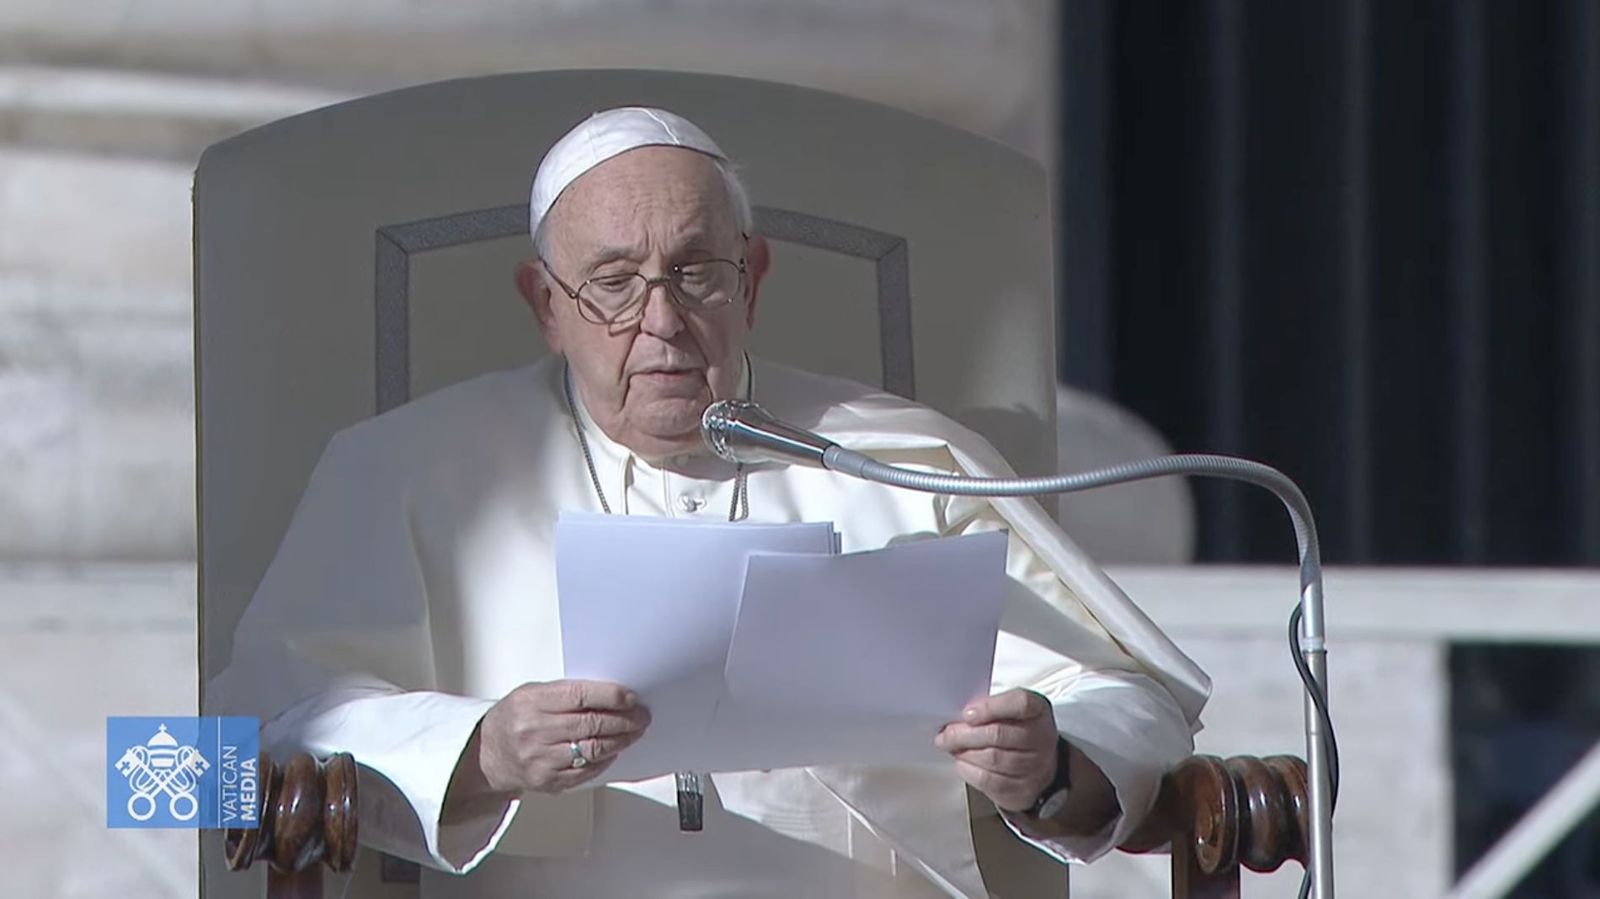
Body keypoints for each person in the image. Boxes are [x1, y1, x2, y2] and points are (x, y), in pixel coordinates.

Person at [211, 106, 1208, 898]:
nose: (662, 321)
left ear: (753, 279)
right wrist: (479, 749)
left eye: (696, 272)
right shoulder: (406, 469)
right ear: (544, 306)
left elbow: (1135, 696)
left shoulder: (901, 461)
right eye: (611, 282)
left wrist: (1048, 760)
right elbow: (190, 765)